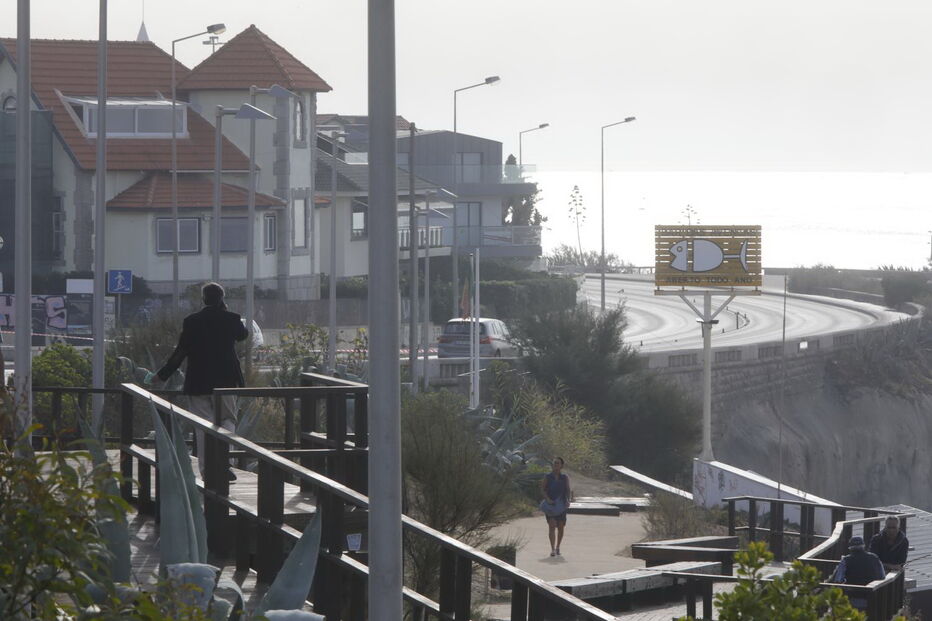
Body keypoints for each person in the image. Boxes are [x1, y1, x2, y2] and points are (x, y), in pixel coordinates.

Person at [146, 282, 248, 481]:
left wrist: (161, 375)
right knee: (228, 419)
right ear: (222, 298)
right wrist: (225, 310)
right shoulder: (232, 319)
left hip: (198, 381)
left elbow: (180, 353)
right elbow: (243, 335)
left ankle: (207, 470)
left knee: (202, 425)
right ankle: (225, 462)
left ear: (203, 299)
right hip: (226, 380)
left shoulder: (191, 321)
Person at [831, 535, 885, 609]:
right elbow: (882, 576)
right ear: (863, 546)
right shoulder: (874, 558)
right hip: (873, 599)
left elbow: (838, 580)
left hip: (852, 599)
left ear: (850, 548)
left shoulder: (846, 560)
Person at [540, 457, 572, 557]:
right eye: (554, 463)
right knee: (552, 526)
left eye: (558, 463)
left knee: (561, 527)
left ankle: (558, 546)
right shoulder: (548, 477)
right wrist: (547, 499)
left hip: (561, 505)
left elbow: (568, 490)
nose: (556, 465)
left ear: (561, 465)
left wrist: (568, 500)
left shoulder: (564, 477)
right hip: (551, 505)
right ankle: (552, 549)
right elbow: (542, 489)